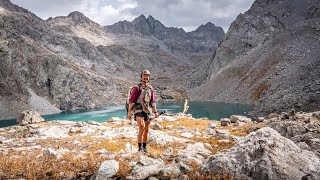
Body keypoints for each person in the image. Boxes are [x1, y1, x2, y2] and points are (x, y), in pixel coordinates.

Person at [127, 70, 159, 152]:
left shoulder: (150, 88)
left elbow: (153, 101)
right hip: (138, 110)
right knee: (142, 126)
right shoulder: (136, 87)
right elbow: (131, 101)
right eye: (144, 75)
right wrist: (129, 113)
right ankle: (139, 148)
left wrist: (155, 112)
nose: (146, 77)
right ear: (141, 76)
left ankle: (144, 147)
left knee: (147, 129)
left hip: (147, 110)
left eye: (148, 75)